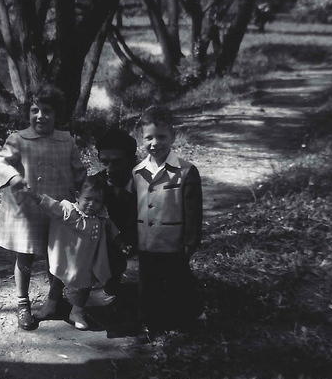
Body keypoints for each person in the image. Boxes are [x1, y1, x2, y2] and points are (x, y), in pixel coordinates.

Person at [0, 84, 86, 331]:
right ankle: (23, 303)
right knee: (25, 257)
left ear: (57, 115)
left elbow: (78, 172)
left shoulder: (66, 141)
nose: (40, 116)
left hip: (58, 208)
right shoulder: (18, 139)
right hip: (27, 211)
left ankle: (54, 299)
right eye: (35, 110)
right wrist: (12, 177)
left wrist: (86, 192)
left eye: (47, 111)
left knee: (58, 256)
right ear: (28, 113)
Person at [22, 176, 130, 330]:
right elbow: (51, 205)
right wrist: (32, 194)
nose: (92, 204)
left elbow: (111, 228)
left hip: (88, 260)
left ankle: (77, 311)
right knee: (57, 281)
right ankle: (50, 305)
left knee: (85, 287)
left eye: (97, 201)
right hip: (67, 259)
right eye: (88, 198)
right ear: (78, 196)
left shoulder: (101, 216)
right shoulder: (69, 210)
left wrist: (121, 243)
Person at [132, 105, 203, 332]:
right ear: (140, 139)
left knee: (176, 282)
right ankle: (151, 323)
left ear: (173, 135)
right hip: (146, 241)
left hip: (173, 242)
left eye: (161, 137)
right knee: (149, 282)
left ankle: (184, 320)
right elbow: (135, 206)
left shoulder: (186, 171)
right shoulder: (137, 172)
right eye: (148, 138)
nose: (155, 143)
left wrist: (191, 241)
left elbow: (193, 211)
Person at [94, 128, 138, 298]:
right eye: (104, 162)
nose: (109, 169)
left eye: (117, 162)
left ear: (131, 160)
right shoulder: (94, 186)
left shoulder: (146, 185)